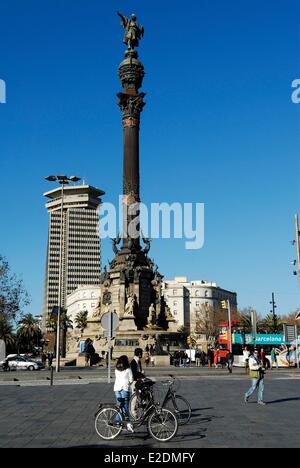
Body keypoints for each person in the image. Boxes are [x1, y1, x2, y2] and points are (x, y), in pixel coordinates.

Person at [114, 355, 134, 433]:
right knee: (125, 407)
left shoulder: (116, 369)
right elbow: (131, 379)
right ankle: (126, 424)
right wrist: (128, 383)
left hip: (117, 389)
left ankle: (117, 423)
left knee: (119, 406)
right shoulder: (128, 369)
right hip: (125, 389)